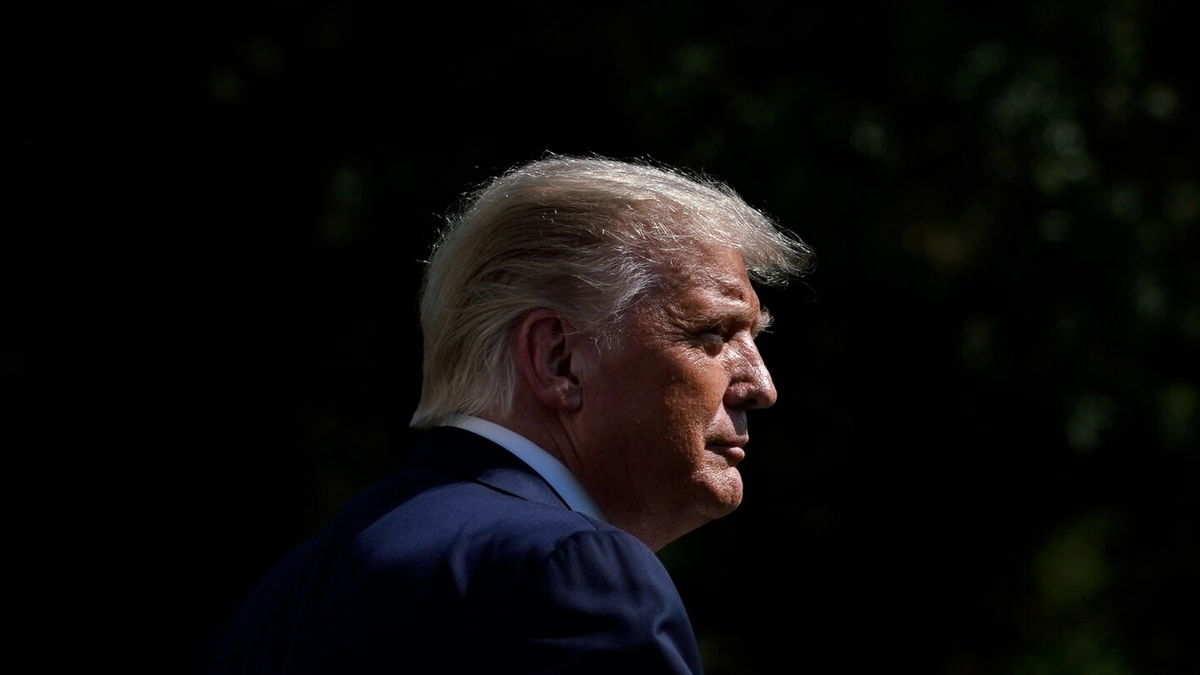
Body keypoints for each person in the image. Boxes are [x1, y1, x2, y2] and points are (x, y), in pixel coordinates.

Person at [208, 156, 813, 674]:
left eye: (754, 338)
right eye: (713, 334)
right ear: (558, 360)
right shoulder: (575, 574)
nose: (761, 386)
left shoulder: (292, 588)